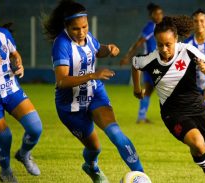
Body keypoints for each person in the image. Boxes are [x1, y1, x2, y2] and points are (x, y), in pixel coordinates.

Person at [43, 0, 144, 182]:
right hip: (70, 106)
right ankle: (92, 167)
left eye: (84, 26)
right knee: (94, 148)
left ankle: (143, 176)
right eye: (76, 29)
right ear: (66, 26)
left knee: (116, 134)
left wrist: (109, 49)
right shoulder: (61, 45)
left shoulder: (87, 36)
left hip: (94, 94)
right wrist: (92, 75)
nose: (81, 32)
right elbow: (62, 81)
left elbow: (97, 50)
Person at [132, 16, 205, 183]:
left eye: (168, 44)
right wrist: (137, 89)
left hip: (198, 108)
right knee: (198, 144)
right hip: (173, 113)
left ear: (176, 39)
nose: (164, 49)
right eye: (160, 45)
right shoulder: (151, 59)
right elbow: (135, 63)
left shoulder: (188, 50)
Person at [0, 8, 42, 182]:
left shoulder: (3, 34)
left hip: (11, 89)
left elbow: (14, 53)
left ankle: (24, 154)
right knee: (5, 138)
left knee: (35, 128)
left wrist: (18, 62)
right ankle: (5, 172)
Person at [120, 3, 163, 123]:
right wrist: (127, 56)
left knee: (149, 89)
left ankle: (141, 116)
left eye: (160, 13)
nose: (159, 15)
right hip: (151, 63)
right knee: (167, 86)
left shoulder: (160, 27)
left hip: (156, 62)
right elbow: (138, 43)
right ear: (151, 16)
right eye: (156, 13)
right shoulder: (151, 27)